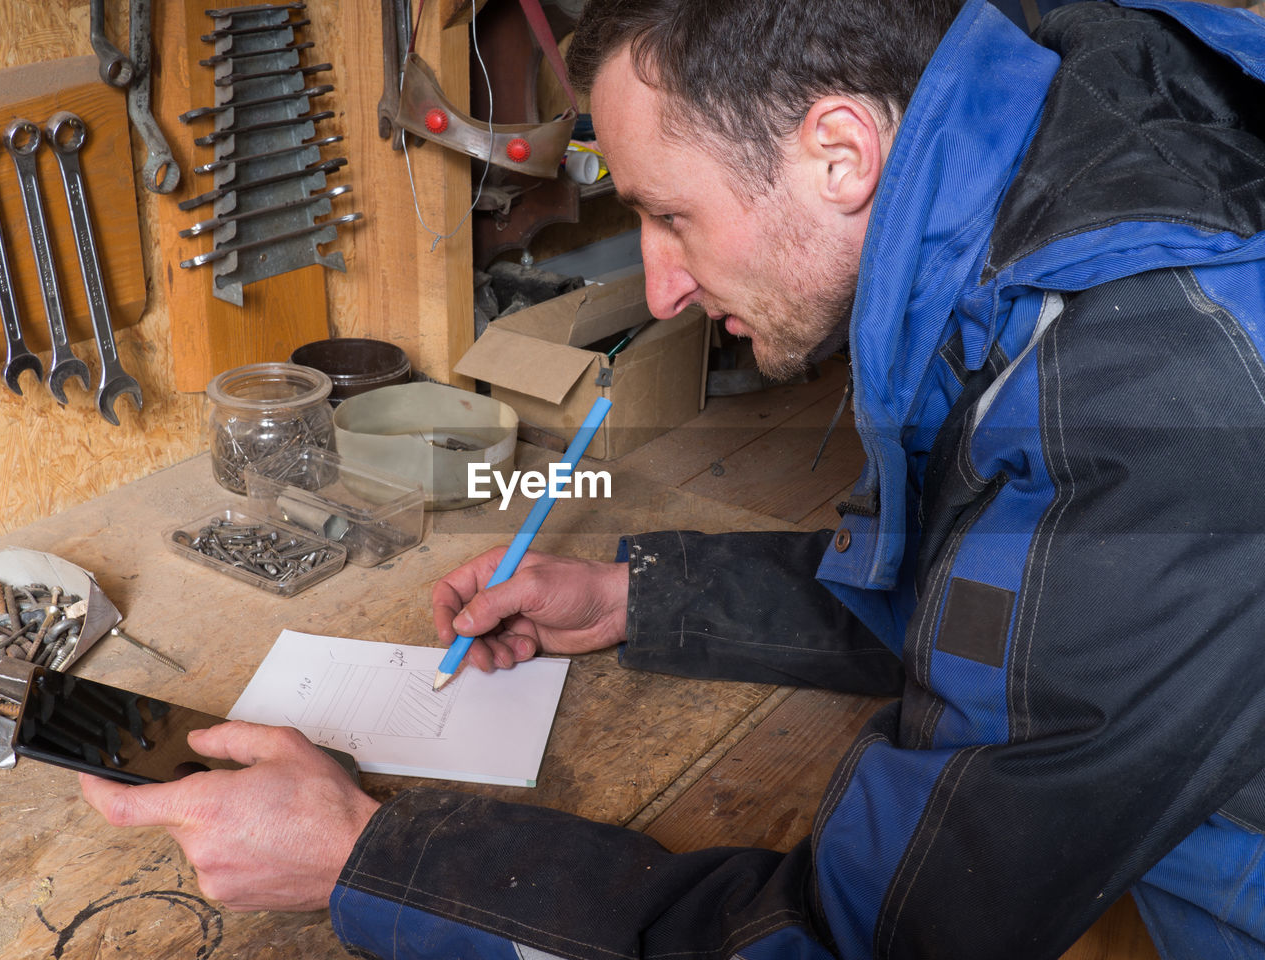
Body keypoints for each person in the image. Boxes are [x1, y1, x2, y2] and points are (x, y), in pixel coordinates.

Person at [80, 0, 1265, 956]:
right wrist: (637, 599)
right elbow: (1012, 598)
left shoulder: (1150, 391)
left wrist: (365, 860)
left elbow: (858, 942)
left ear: (838, 152)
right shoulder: (1069, 194)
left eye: (669, 217)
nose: (658, 291)